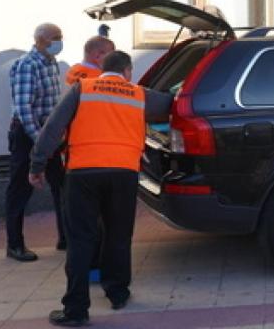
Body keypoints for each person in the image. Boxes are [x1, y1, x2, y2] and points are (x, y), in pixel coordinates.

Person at [30, 51, 173, 327]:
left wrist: (37, 165)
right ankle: (118, 293)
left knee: (81, 239)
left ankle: (75, 310)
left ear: (101, 69)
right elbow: (170, 105)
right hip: (124, 174)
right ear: (127, 72)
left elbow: (52, 128)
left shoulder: (82, 88)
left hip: (82, 174)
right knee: (119, 235)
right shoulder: (139, 94)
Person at [6, 23, 67, 262]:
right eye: (55, 38)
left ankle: (65, 237)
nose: (59, 42)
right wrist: (40, 141)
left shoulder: (51, 62)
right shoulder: (27, 65)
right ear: (40, 40)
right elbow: (23, 108)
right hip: (28, 133)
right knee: (20, 189)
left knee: (61, 185)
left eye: (61, 37)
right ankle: (15, 245)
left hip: (48, 133)